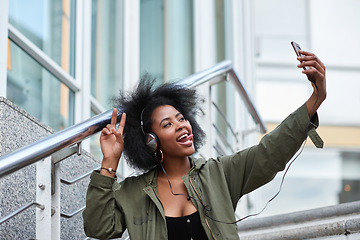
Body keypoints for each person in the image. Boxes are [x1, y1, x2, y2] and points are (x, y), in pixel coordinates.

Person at [83, 50, 326, 240]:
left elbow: (270, 151)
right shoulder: (132, 192)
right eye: (167, 124)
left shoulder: (219, 173)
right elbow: (99, 228)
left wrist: (315, 99)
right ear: (150, 141)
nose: (181, 125)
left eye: (181, 118)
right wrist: (109, 164)